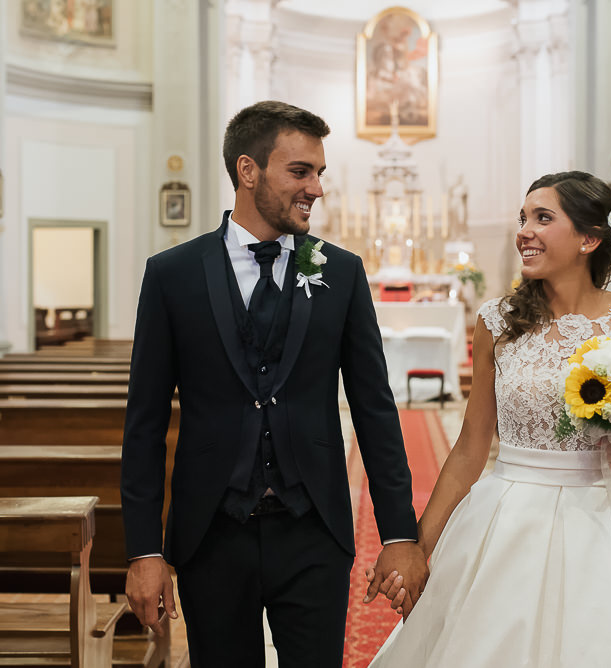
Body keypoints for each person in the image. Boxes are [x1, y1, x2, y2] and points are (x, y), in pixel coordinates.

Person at [367, 171, 611, 667]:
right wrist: (417, 547)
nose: (524, 231)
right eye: (523, 218)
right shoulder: (496, 321)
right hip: (509, 518)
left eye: (543, 218)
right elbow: (470, 448)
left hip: (607, 519)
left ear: (589, 239)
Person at [121, 100, 427, 667]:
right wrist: (143, 549)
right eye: (300, 171)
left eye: (320, 173)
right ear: (248, 170)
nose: (317, 188)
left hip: (314, 531)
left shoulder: (340, 272)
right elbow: (144, 424)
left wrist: (398, 534)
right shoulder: (172, 275)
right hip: (210, 535)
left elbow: (375, 410)